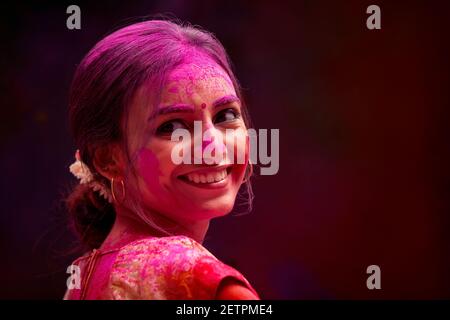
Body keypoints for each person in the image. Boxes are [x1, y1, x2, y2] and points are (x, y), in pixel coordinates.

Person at [63, 19, 259, 300]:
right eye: (173, 127)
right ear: (108, 159)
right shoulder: (199, 280)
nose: (213, 146)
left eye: (226, 116)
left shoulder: (82, 277)